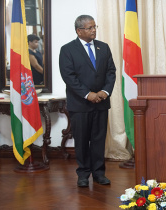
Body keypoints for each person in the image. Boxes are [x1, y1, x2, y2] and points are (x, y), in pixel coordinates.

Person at [59, 15, 116, 187]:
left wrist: (105, 92)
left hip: (101, 102)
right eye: (90, 28)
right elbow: (69, 76)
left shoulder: (103, 47)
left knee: (99, 140)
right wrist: (87, 94)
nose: (94, 30)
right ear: (79, 31)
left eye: (94, 27)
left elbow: (111, 72)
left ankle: (99, 173)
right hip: (80, 104)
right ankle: (83, 174)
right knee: (82, 140)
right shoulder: (67, 49)